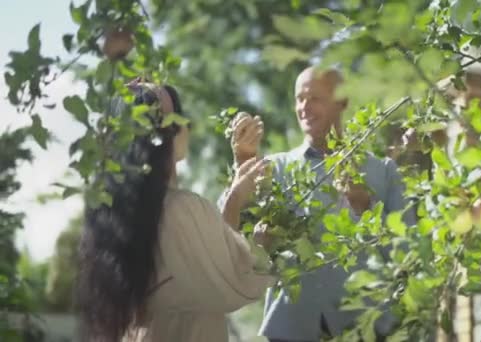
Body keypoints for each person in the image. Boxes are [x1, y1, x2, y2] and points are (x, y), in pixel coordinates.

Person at [225, 66, 416, 341]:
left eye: (314, 98)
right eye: (299, 98)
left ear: (342, 101)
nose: (304, 107)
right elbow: (230, 231)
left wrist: (366, 207)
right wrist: (241, 162)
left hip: (364, 329)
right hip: (290, 329)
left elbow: (406, 255)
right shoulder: (273, 169)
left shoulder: (382, 172)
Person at [76, 81, 274, 342]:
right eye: (175, 115)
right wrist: (264, 241)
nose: (186, 125)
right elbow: (237, 278)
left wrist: (238, 185)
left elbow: (208, 263)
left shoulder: (119, 214)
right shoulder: (181, 210)